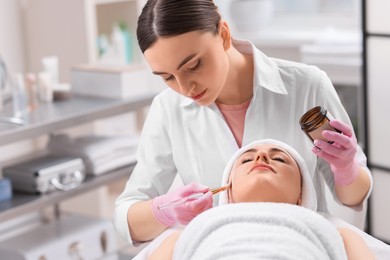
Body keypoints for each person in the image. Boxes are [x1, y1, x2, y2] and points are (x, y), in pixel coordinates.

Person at [113, 0, 372, 244]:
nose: (185, 88)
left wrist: (346, 168)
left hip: (299, 245)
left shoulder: (306, 86)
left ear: (224, 34)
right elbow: (126, 216)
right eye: (167, 77)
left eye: (193, 65)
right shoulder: (168, 108)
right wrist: (163, 212)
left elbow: (353, 197)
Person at [147, 140, 377, 260]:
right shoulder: (183, 234)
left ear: (301, 193)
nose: (261, 156)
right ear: (229, 192)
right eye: (246, 160)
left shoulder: (338, 232)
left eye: (279, 158)